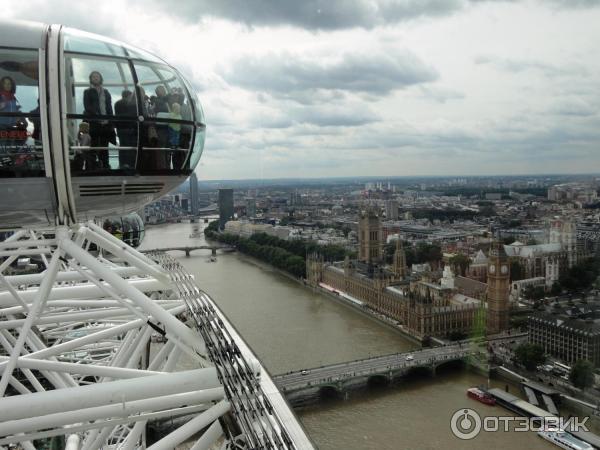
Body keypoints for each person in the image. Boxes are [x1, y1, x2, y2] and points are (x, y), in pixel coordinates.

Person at [83, 71, 115, 170]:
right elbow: (87, 107)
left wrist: (111, 121)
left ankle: (105, 167)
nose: (96, 78)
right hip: (94, 124)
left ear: (101, 78)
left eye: (97, 76)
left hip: (105, 124)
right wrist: (97, 115)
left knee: (105, 148)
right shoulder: (87, 92)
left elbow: (109, 107)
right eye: (93, 77)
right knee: (93, 146)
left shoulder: (106, 92)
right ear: (91, 79)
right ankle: (91, 167)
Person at [114, 89, 137, 170]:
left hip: (120, 129)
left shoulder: (117, 104)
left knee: (123, 148)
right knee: (130, 148)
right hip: (129, 129)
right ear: (129, 95)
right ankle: (130, 165)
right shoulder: (130, 104)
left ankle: (122, 164)